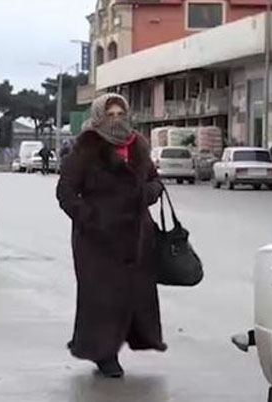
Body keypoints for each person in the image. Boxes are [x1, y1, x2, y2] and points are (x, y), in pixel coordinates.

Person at [56, 93, 166, 378]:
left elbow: (155, 180)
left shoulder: (138, 145)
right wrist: (91, 218)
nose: (116, 120)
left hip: (135, 237)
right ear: (98, 117)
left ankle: (125, 341)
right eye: (110, 115)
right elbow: (66, 192)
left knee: (131, 295)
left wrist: (148, 194)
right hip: (97, 240)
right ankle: (103, 354)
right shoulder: (86, 147)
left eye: (120, 114)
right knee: (101, 298)